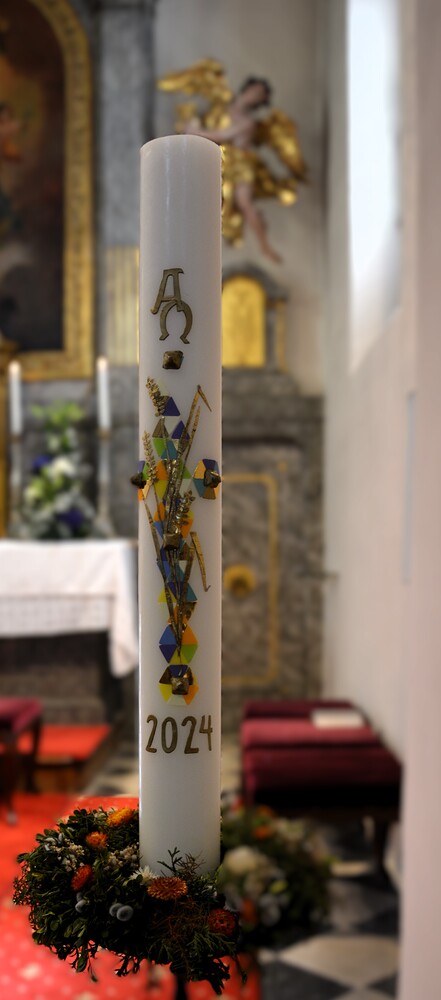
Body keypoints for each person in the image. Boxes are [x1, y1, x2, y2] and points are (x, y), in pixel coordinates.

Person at [185, 77, 283, 263]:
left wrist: (195, 132)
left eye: (260, 95)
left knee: (244, 202)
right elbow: (205, 120)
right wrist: (192, 124)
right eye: (255, 90)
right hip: (220, 161)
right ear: (248, 87)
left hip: (240, 164)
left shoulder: (248, 122)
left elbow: (221, 135)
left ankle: (264, 246)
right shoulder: (222, 107)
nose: (255, 95)